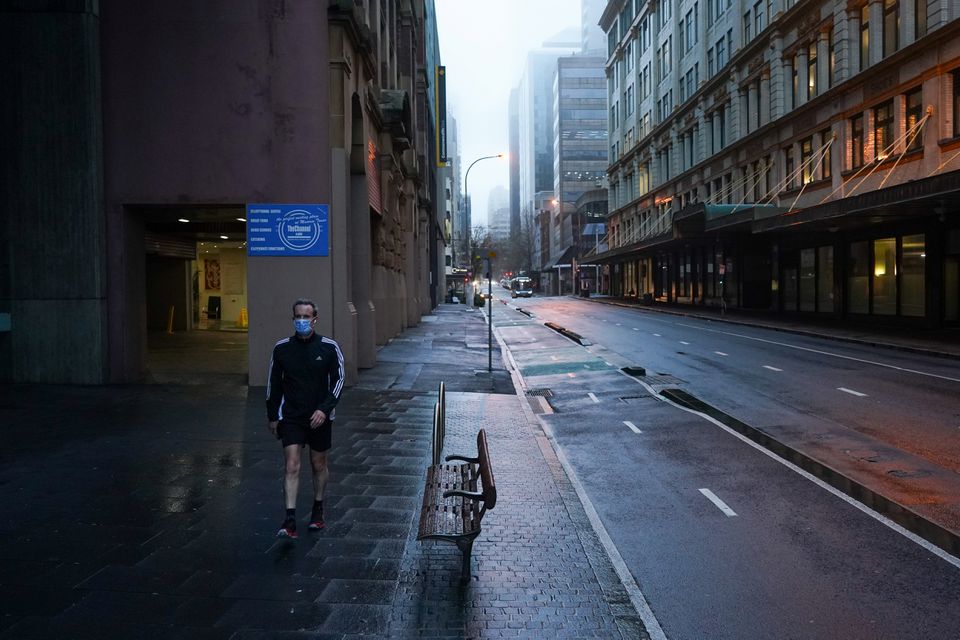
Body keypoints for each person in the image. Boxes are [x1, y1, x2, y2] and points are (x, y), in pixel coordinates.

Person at [266, 298, 345, 539]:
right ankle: (289, 520)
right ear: (293, 319)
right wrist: (273, 417)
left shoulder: (329, 347)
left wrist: (324, 409)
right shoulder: (282, 349)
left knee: (318, 464)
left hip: (320, 417)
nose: (301, 321)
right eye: (297, 316)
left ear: (314, 319)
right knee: (291, 465)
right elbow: (273, 385)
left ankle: (318, 509)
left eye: (306, 316)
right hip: (291, 416)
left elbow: (339, 381)